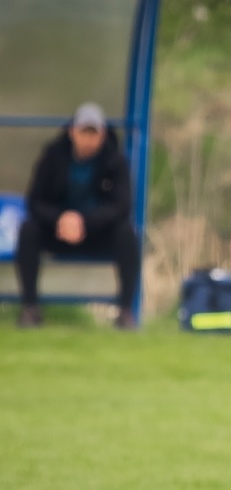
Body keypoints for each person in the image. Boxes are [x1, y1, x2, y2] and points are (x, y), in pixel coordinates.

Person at [14, 103, 139, 330]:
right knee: (28, 230)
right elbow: (35, 201)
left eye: (94, 133)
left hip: (97, 233)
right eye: (84, 132)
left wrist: (85, 222)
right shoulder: (53, 156)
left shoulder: (115, 160)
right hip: (59, 232)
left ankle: (125, 311)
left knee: (128, 234)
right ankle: (30, 308)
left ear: (102, 134)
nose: (88, 139)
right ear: (72, 132)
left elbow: (122, 205)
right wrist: (62, 219)